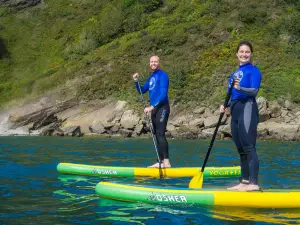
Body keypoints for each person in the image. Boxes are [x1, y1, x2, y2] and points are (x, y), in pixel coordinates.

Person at [220, 41, 262, 191]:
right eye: (242, 52)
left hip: (248, 108)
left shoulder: (254, 71)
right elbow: (232, 94)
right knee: (240, 148)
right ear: (237, 54)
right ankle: (244, 182)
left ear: (251, 54)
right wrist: (225, 104)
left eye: (247, 52)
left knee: (249, 146)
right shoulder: (233, 74)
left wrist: (240, 87)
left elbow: (254, 91)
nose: (244, 54)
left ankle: (253, 183)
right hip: (235, 110)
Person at [133, 56, 171, 168]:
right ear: (149, 63)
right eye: (151, 62)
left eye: (155, 61)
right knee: (156, 134)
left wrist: (152, 106)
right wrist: (136, 81)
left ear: (159, 63)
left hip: (162, 108)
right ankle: (160, 162)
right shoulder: (151, 77)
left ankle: (167, 162)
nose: (153, 63)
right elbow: (141, 90)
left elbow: (163, 94)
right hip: (154, 110)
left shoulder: (163, 76)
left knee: (160, 134)